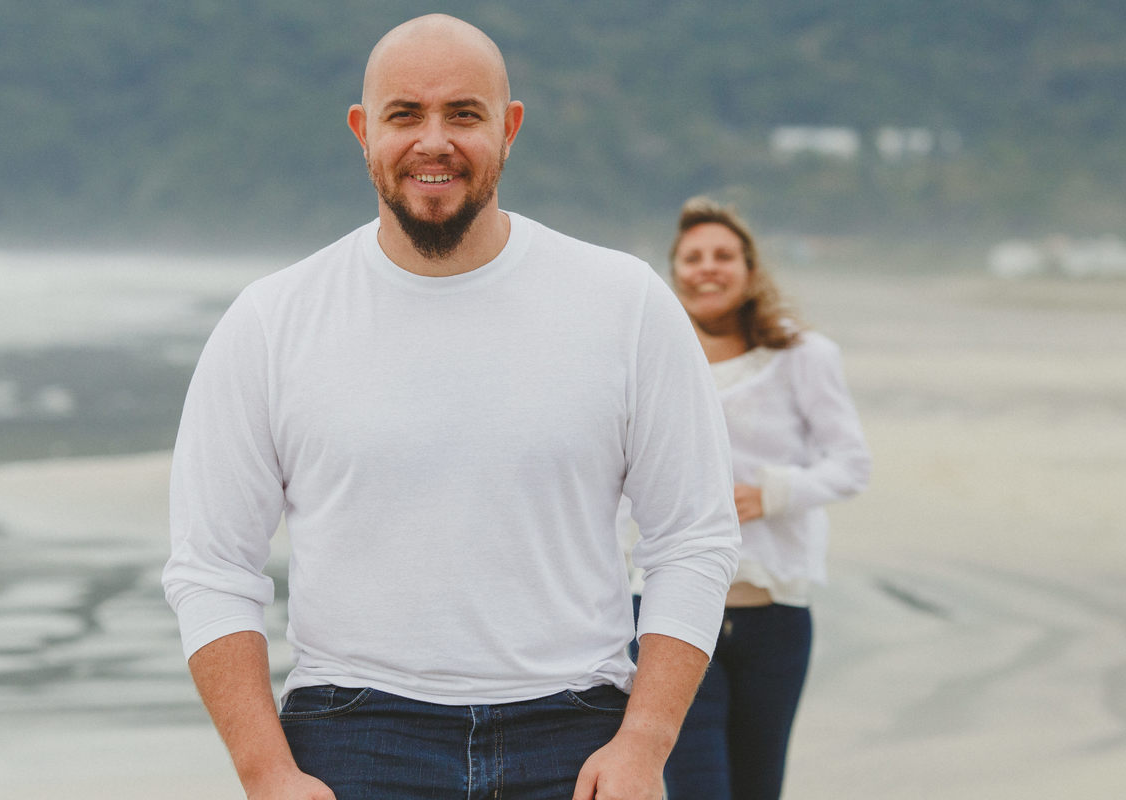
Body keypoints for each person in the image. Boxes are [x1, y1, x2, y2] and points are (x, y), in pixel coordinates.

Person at [162, 15, 740, 800]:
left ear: (510, 128)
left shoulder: (625, 302)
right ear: (363, 131)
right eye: (405, 115)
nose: (434, 141)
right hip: (350, 730)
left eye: (464, 114)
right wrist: (266, 773)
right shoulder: (271, 321)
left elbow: (694, 538)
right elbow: (212, 569)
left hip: (577, 731)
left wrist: (644, 741)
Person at [622, 197, 871, 799]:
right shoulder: (649, 356)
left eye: (723, 256)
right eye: (694, 257)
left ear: (750, 268)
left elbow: (851, 465)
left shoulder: (803, 357)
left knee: (759, 788)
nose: (708, 267)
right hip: (668, 616)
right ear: (676, 271)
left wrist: (772, 494)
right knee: (695, 788)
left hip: (774, 617)